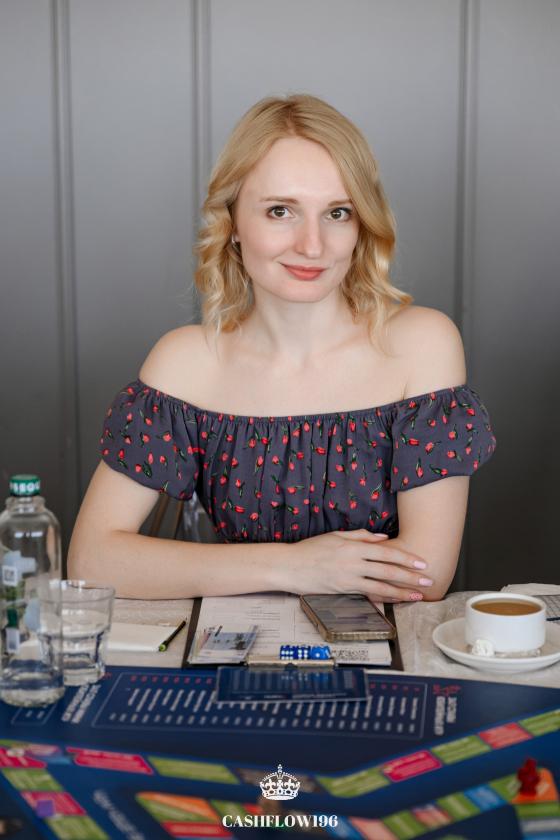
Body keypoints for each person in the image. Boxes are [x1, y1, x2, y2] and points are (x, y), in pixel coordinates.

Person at [68, 94, 496, 601]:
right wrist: (296, 567)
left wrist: (245, 568)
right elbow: (92, 562)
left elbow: (424, 577)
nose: (312, 245)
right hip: (234, 645)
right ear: (232, 224)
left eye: (337, 212)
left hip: (382, 648)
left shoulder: (422, 345)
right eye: (280, 211)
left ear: (361, 225)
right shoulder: (187, 363)